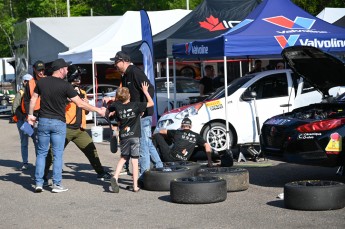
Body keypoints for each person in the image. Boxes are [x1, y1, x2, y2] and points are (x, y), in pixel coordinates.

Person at [27, 58, 106, 193]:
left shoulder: (42, 82)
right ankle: (56, 185)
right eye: (66, 68)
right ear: (61, 69)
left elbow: (33, 99)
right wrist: (99, 110)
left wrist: (30, 115)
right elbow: (80, 104)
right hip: (59, 123)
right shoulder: (65, 86)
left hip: (44, 121)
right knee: (57, 155)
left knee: (41, 153)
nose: (67, 71)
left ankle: (39, 183)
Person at [43, 65, 112, 181]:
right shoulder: (63, 90)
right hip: (65, 128)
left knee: (91, 150)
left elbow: (84, 113)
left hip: (79, 129)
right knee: (53, 153)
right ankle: (42, 175)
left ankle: (100, 172)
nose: (78, 80)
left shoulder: (83, 92)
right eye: (77, 77)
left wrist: (85, 103)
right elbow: (58, 107)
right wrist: (67, 100)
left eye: (79, 78)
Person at [107, 51, 163, 182]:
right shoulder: (125, 75)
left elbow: (150, 89)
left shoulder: (135, 72)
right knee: (147, 142)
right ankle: (159, 166)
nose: (115, 65)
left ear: (124, 61)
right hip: (136, 114)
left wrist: (143, 107)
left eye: (116, 62)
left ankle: (143, 175)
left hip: (142, 114)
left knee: (142, 144)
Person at [108, 82, 153, 193]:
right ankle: (135, 186)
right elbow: (151, 103)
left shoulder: (116, 106)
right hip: (135, 136)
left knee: (123, 158)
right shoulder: (136, 105)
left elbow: (111, 108)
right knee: (134, 160)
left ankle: (115, 177)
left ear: (118, 98)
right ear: (129, 96)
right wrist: (145, 91)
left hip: (124, 136)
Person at [12, 74, 35, 170]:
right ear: (25, 82)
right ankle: (25, 162)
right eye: (28, 81)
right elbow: (14, 108)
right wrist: (24, 117)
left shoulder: (34, 91)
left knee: (37, 142)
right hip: (24, 122)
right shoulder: (21, 93)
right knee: (25, 142)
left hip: (32, 121)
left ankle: (41, 162)